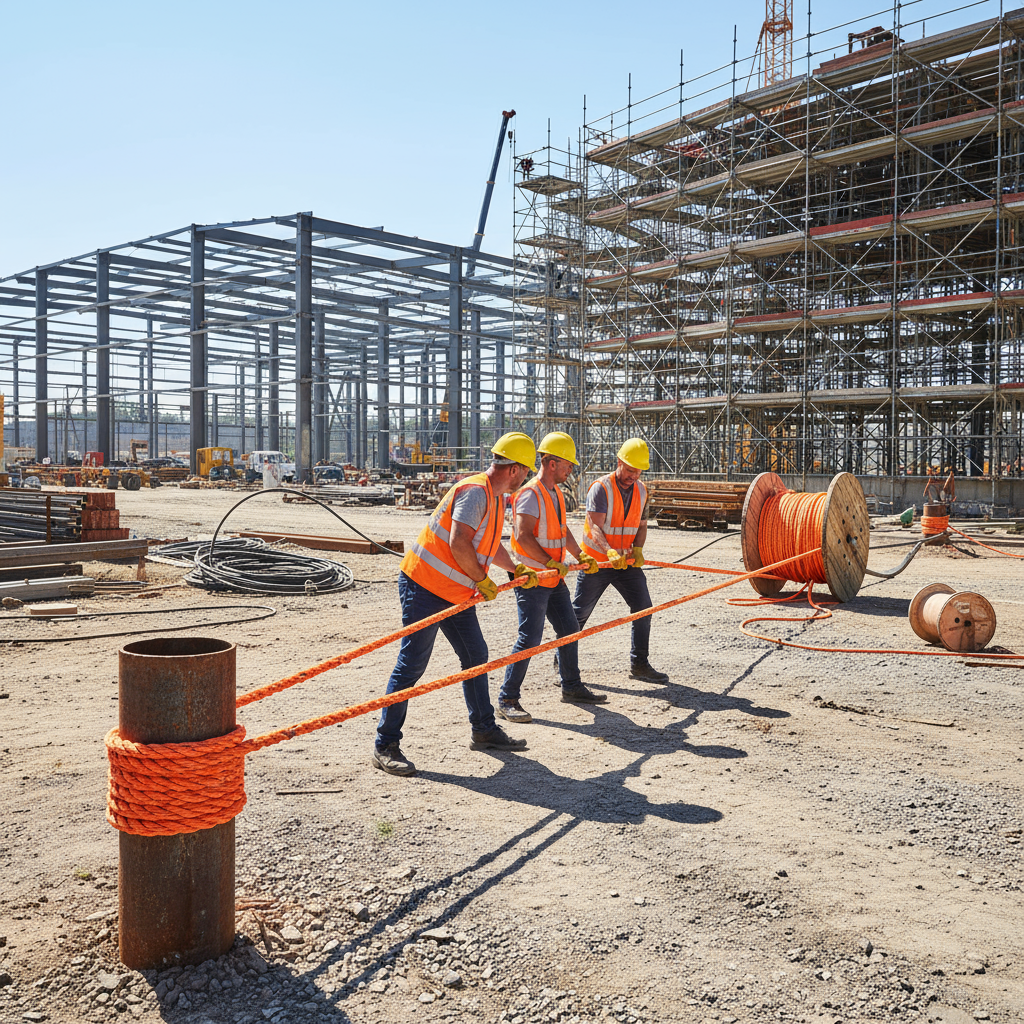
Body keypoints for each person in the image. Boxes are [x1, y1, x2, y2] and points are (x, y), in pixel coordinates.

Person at [372, 432, 541, 776]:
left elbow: (488, 544)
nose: (525, 478)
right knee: (412, 664)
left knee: (475, 656)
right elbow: (459, 541)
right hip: (424, 586)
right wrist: (481, 579)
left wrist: (514, 568)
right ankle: (385, 744)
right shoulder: (476, 492)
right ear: (514, 470)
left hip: (454, 591)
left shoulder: (495, 498)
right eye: (525, 471)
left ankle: (483, 729)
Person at [497, 432, 604, 724]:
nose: (572, 469)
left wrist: (579, 555)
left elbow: (561, 530)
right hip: (533, 578)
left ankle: (571, 686)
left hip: (552, 577)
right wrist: (551, 563)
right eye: (568, 464)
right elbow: (523, 537)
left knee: (569, 628)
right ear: (552, 462)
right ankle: (507, 698)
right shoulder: (531, 493)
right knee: (529, 638)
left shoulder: (555, 493)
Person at [571, 438, 670, 684]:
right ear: (619, 462)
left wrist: (638, 549)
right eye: (629, 470)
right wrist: (609, 551)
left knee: (644, 608)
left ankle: (640, 664)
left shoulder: (642, 490)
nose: (633, 476)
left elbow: (642, 525)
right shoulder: (601, 488)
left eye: (638, 471)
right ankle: (563, 664)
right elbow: (594, 525)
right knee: (578, 615)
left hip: (626, 563)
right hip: (598, 563)